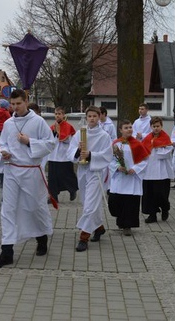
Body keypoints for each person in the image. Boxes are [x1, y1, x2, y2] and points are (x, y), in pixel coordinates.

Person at [0, 90, 55, 268]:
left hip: (31, 171)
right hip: (11, 170)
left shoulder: (38, 122)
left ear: (26, 101)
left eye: (19, 103)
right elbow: (2, 141)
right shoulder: (9, 123)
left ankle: (41, 237)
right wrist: (4, 151)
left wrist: (30, 142)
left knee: (33, 207)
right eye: (13, 104)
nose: (16, 107)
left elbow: (50, 144)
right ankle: (7, 251)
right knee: (8, 210)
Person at [68, 106, 112, 252]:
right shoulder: (80, 133)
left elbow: (107, 155)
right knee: (89, 203)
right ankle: (99, 228)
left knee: (90, 206)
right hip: (83, 171)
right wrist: (78, 151)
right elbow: (70, 151)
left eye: (94, 116)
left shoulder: (104, 135)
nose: (92, 119)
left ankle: (83, 237)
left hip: (96, 172)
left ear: (99, 117)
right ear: (86, 118)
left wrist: (91, 155)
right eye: (89, 116)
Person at [109, 120, 150, 235]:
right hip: (120, 177)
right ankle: (120, 222)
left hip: (132, 178)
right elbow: (110, 160)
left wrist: (135, 169)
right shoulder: (116, 144)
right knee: (117, 201)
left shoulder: (138, 144)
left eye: (130, 127)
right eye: (126, 127)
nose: (129, 129)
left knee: (130, 203)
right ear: (120, 130)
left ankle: (128, 225)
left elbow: (145, 160)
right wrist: (117, 167)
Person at [141, 117, 173, 223]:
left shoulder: (165, 137)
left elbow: (167, 152)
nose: (156, 128)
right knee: (149, 193)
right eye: (154, 126)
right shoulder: (147, 138)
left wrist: (157, 147)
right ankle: (152, 214)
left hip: (161, 170)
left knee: (161, 193)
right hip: (149, 170)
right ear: (151, 127)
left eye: (158, 126)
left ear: (161, 126)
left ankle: (164, 208)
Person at [48, 107, 78, 203]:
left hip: (64, 156)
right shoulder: (52, 127)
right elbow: (49, 140)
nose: (57, 115)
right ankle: (53, 196)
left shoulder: (68, 126)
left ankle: (72, 190)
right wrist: (54, 133)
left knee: (67, 176)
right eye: (56, 114)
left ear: (63, 115)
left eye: (59, 113)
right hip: (53, 156)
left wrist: (59, 133)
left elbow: (71, 141)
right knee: (52, 178)